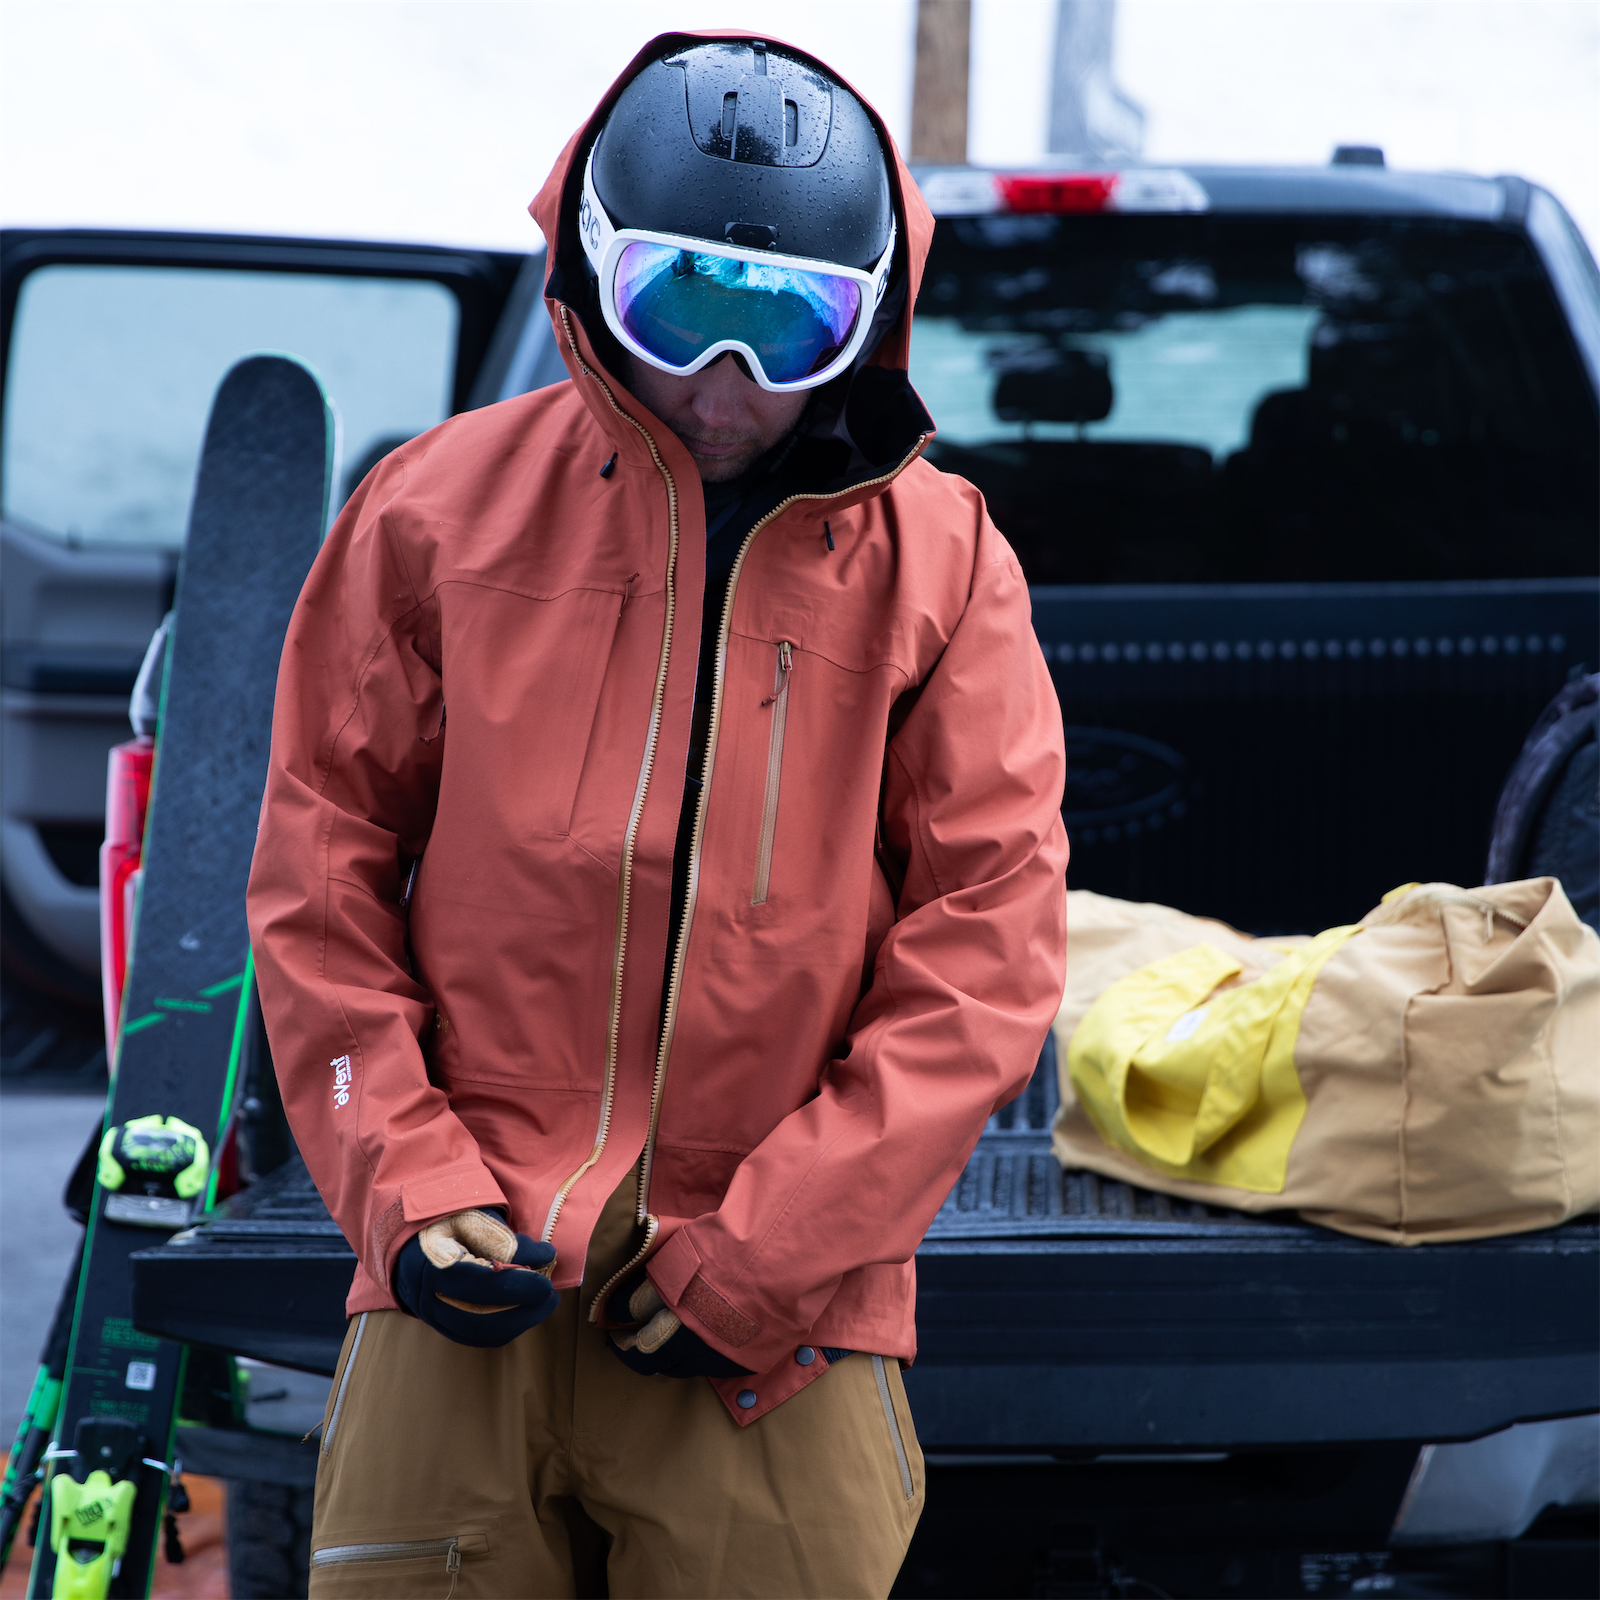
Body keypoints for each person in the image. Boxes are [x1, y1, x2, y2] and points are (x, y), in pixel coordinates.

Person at [247, 29, 1067, 1599]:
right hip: (461, 1281)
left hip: (773, 1319)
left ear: (871, 316)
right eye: (684, 307)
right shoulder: (431, 514)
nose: (726, 382)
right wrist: (408, 1189)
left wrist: (769, 1257)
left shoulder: (946, 565)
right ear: (597, 276)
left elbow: (987, 955)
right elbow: (318, 881)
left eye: (792, 326)